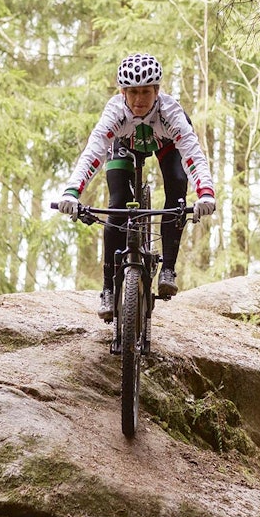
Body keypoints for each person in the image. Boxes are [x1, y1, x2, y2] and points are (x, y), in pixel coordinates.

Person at [58, 53, 216, 320]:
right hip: (125, 145)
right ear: (122, 92)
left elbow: (192, 154)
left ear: (157, 90)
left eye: (146, 92)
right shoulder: (115, 113)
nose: (139, 100)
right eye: (132, 93)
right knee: (117, 204)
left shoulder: (170, 113)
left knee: (177, 188)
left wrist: (205, 193)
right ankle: (108, 288)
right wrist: (72, 191)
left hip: (166, 145)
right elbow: (94, 151)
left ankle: (168, 268)